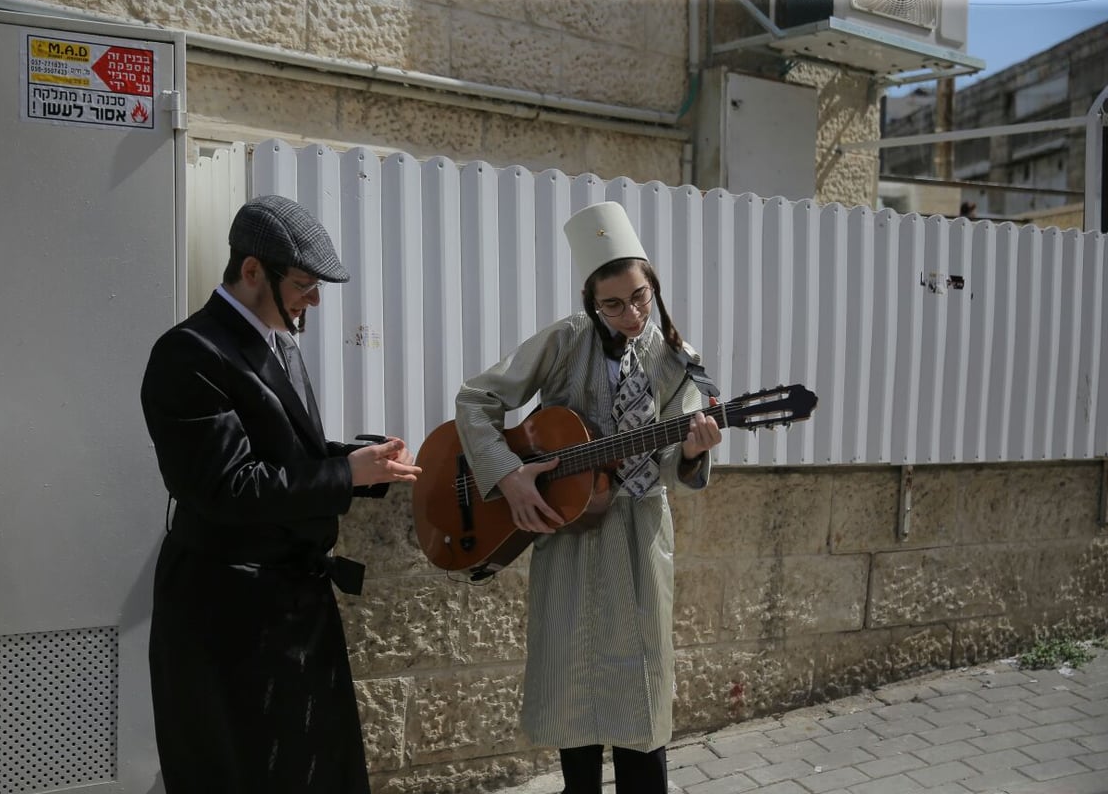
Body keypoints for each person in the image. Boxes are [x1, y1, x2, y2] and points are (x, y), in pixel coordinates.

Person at [139, 194, 421, 793]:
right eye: (302, 283)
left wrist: (360, 464)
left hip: (289, 603)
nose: (313, 300)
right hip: (227, 612)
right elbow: (228, 487)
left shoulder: (276, 339)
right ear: (250, 271)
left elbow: (288, 456)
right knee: (247, 772)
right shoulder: (188, 353)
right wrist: (348, 476)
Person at [453, 201, 723, 793]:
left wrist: (697, 449)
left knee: (644, 705)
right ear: (590, 302)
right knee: (575, 703)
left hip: (640, 540)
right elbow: (476, 400)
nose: (631, 313)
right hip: (572, 538)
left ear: (652, 284)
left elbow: (678, 466)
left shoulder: (678, 359)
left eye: (641, 296)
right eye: (614, 303)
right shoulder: (564, 341)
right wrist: (508, 474)